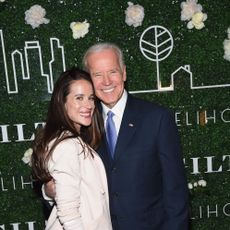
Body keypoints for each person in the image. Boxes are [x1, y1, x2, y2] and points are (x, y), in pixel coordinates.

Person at [46, 43, 189, 229]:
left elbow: (176, 191)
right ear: (89, 80)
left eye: (112, 72)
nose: (106, 81)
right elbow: (66, 185)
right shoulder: (81, 122)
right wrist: (49, 192)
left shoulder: (157, 118)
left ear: (124, 73)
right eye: (97, 74)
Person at [31, 67, 112, 230]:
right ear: (63, 101)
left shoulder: (72, 140)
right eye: (79, 98)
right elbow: (69, 214)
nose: (88, 105)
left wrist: (50, 191)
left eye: (91, 98)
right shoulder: (67, 145)